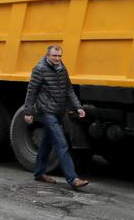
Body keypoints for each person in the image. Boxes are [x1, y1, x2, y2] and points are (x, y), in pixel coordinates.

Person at [24, 45, 89, 189]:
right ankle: (73, 179)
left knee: (46, 143)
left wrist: (78, 107)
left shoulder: (62, 68)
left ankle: (39, 173)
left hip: (59, 111)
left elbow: (68, 90)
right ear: (48, 55)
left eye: (60, 56)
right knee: (61, 143)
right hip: (46, 111)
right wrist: (28, 112)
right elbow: (31, 91)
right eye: (55, 56)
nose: (57, 59)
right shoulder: (40, 69)